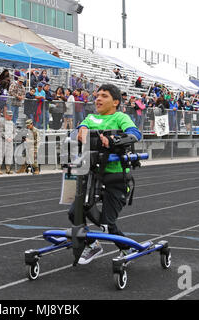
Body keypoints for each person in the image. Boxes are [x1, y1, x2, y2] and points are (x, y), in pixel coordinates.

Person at [73, 83, 142, 264]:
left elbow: (135, 134)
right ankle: (93, 244)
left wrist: (113, 140)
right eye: (97, 95)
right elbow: (78, 130)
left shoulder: (121, 117)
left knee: (107, 224)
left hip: (116, 177)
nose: (98, 98)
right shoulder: (90, 117)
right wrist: (81, 130)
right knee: (75, 213)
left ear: (115, 102)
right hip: (93, 176)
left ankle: (126, 249)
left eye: (104, 96)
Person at [0, 110, 17, 174]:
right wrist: (6, 137)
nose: (10, 116)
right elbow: (1, 131)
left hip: (10, 141)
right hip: (3, 141)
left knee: (9, 154)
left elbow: (15, 132)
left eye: (11, 115)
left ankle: (8, 169)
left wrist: (11, 138)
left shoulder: (13, 123)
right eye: (9, 115)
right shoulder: (2, 122)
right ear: (6, 115)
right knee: (0, 154)